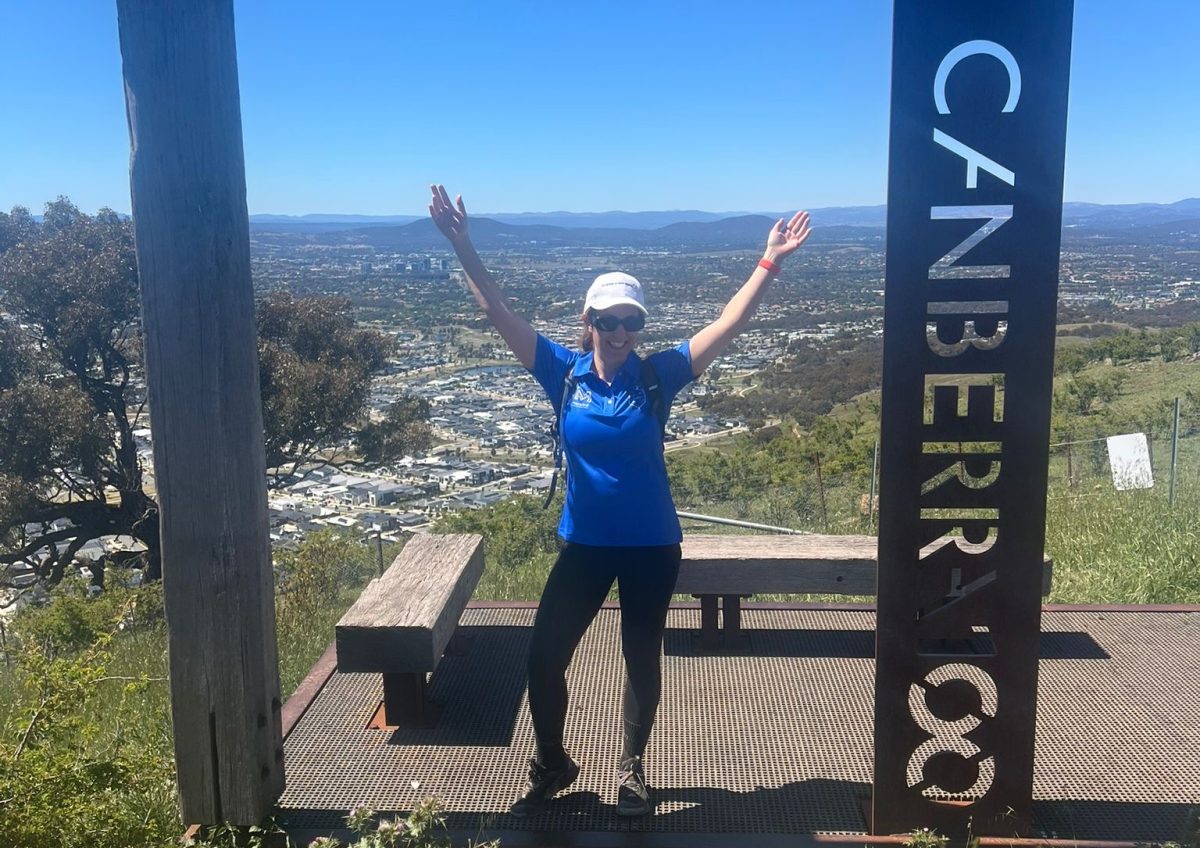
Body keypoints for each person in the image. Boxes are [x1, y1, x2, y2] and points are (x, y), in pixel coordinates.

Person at [428, 184, 811, 817]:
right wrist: (462, 243)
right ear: (589, 323)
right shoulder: (561, 372)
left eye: (631, 321)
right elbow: (497, 312)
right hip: (584, 543)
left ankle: (632, 770)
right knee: (545, 654)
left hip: (651, 545)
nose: (620, 331)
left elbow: (729, 323)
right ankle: (552, 761)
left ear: (640, 325)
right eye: (608, 320)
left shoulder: (659, 374)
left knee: (640, 657)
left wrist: (769, 260)